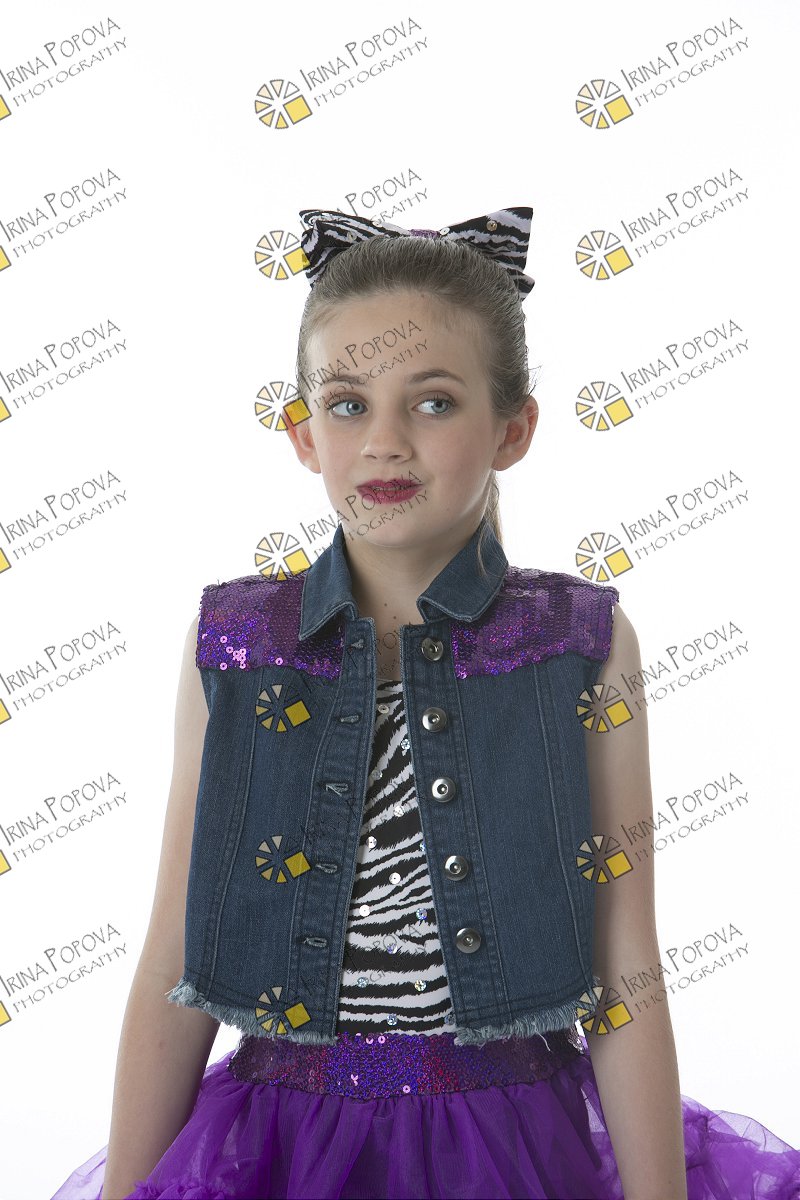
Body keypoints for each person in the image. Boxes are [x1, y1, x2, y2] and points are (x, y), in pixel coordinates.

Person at [50, 208, 800, 1200]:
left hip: (512, 1143)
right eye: (348, 404)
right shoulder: (236, 647)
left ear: (513, 429)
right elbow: (173, 960)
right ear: (303, 434)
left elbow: (624, 970)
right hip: (283, 1148)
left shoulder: (577, 644)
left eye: (434, 403)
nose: (385, 442)